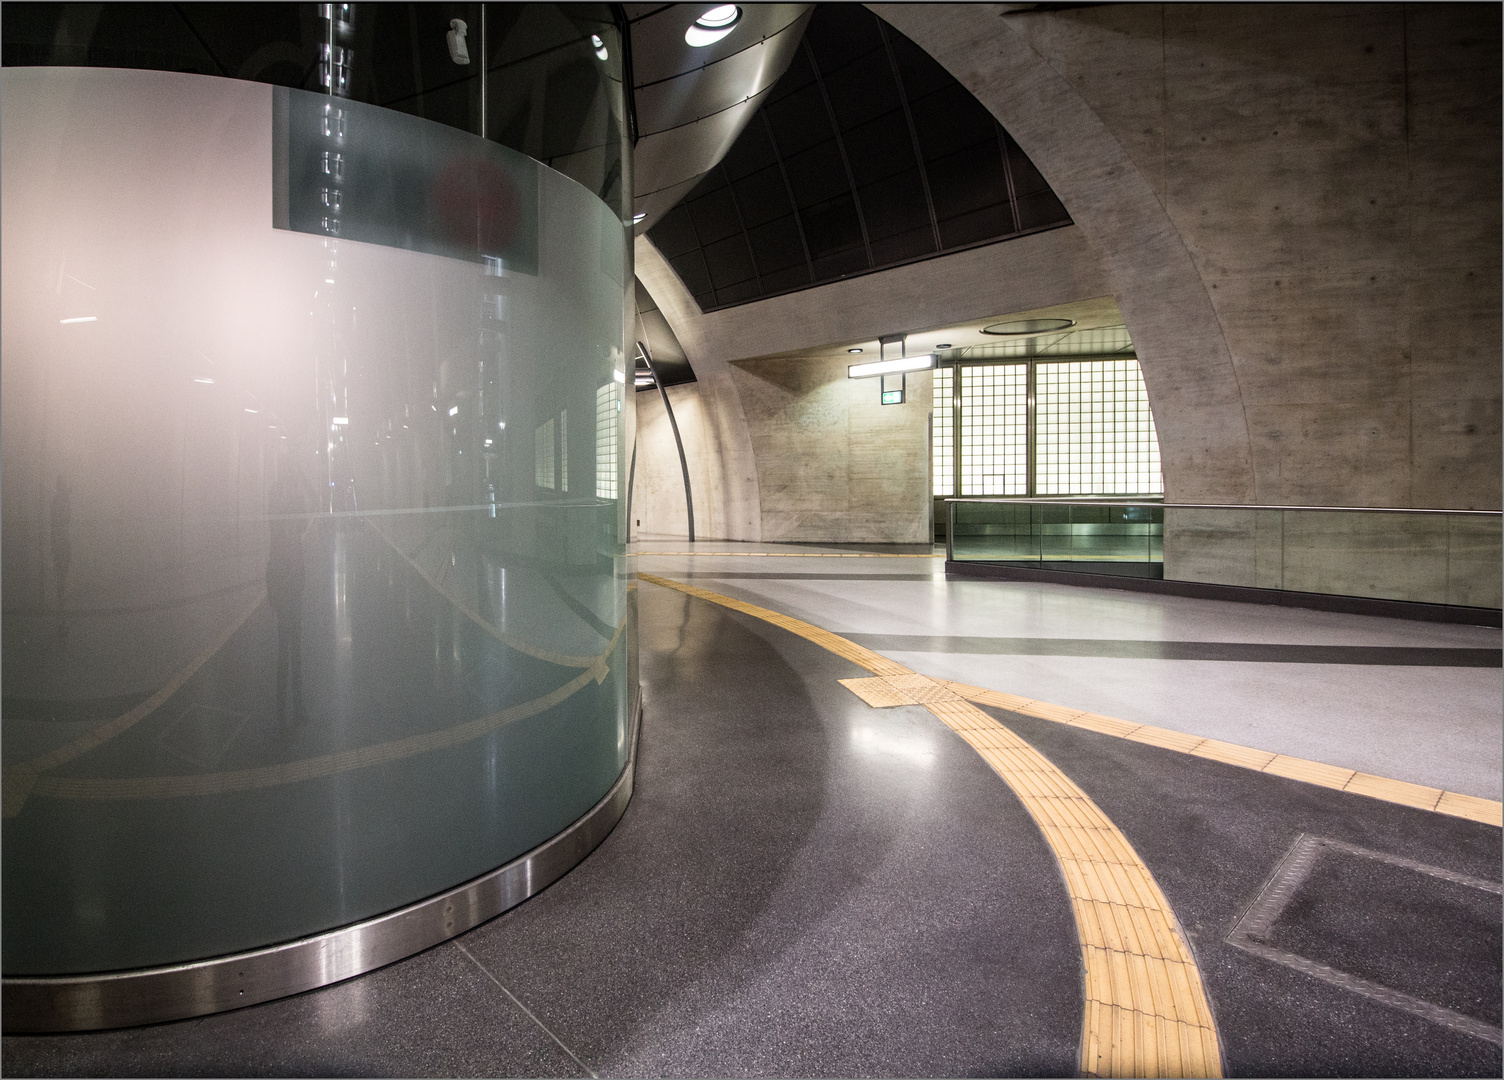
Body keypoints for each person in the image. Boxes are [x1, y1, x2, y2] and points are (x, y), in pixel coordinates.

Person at [266, 448, 310, 726]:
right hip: (289, 574)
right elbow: (303, 520)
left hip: (283, 574)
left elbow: (282, 528)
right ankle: (293, 708)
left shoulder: (276, 494)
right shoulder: (290, 495)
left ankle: (285, 709)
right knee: (292, 644)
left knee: (288, 643)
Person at [50, 475, 72, 634]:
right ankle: (61, 618)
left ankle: (62, 615)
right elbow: (65, 520)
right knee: (61, 578)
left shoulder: (57, 502)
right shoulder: (59, 502)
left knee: (62, 577)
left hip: (61, 542)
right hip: (61, 542)